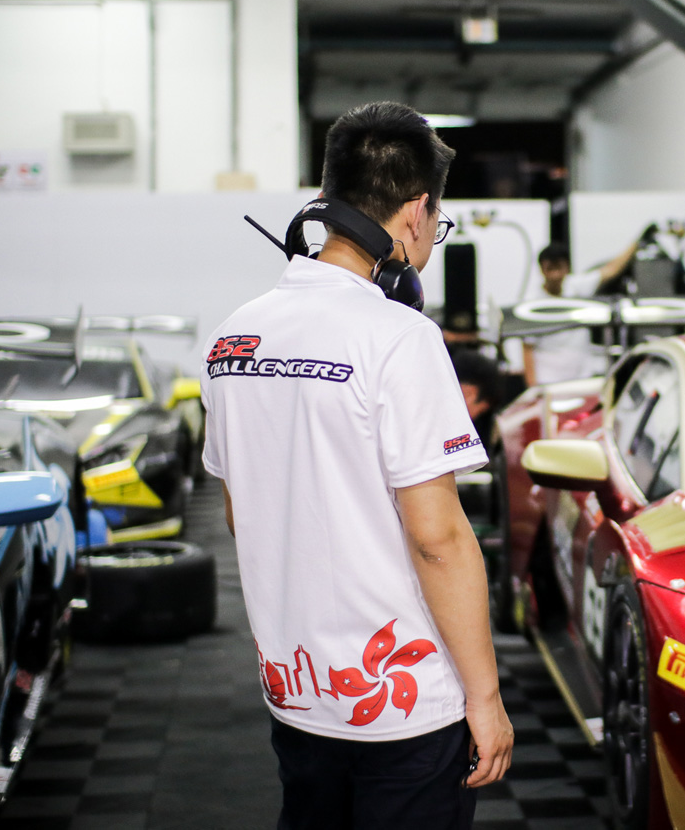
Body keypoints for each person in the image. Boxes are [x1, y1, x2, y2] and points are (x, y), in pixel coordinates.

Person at [199, 101, 512, 830]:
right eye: (437, 221)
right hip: (406, 702)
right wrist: (486, 697)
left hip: (297, 687)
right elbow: (438, 539)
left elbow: (243, 513)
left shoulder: (232, 337)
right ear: (416, 212)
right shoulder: (399, 337)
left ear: (326, 198)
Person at [520, 234, 643, 386]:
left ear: (567, 268)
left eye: (559, 268)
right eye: (550, 269)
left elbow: (611, 270)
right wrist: (533, 388)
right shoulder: (532, 304)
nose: (555, 275)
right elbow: (527, 348)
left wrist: (637, 241)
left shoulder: (577, 287)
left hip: (582, 378)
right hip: (548, 382)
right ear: (541, 269)